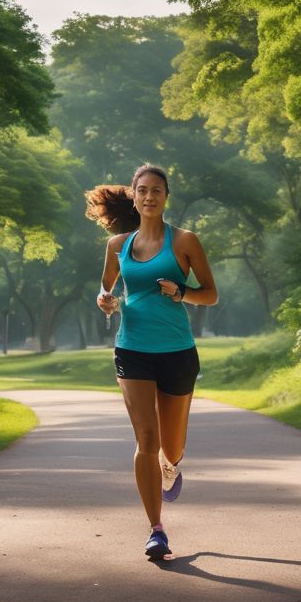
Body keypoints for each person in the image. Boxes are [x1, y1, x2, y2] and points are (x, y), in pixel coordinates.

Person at [85, 164, 218, 561]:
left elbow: (209, 294)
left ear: (165, 196)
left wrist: (181, 293)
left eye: (156, 190)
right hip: (133, 348)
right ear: (134, 194)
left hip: (177, 351)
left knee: (171, 448)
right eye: (142, 190)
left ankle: (172, 467)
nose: (148, 196)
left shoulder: (185, 241)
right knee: (147, 438)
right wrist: (106, 301)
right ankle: (156, 530)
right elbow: (106, 290)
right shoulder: (117, 245)